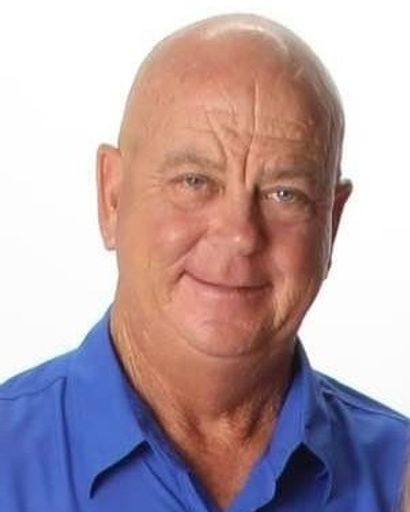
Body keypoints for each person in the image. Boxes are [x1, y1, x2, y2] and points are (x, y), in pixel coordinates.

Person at [0, 13, 408, 512]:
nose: (240, 234)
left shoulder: (398, 474)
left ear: (332, 222)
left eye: (285, 193)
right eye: (195, 182)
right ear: (112, 197)